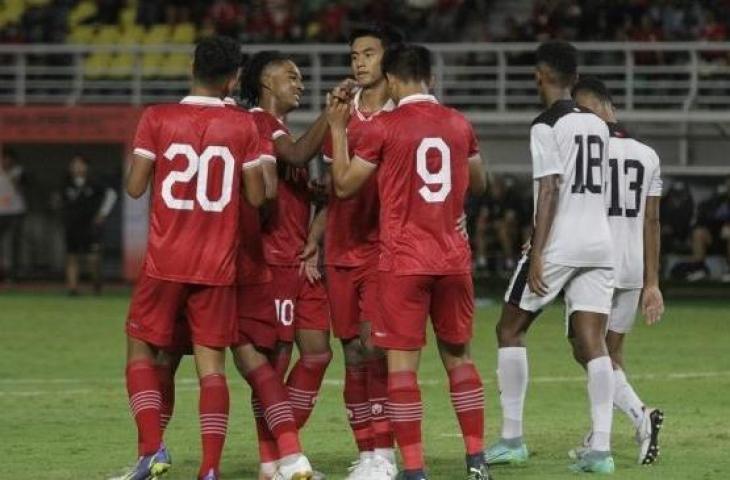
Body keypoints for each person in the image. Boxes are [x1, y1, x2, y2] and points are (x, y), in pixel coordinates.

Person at [327, 43, 491, 480]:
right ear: (430, 79)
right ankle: (476, 461)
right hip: (453, 259)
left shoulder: (384, 127)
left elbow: (343, 186)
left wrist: (339, 131)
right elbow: (480, 182)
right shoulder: (459, 124)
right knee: (460, 359)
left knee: (402, 369)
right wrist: (454, 211)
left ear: (394, 81)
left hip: (403, 261)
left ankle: (414, 470)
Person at [117, 36, 266, 480]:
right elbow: (257, 195)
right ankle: (210, 469)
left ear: (190, 67)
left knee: (140, 348)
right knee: (211, 367)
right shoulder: (244, 126)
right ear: (234, 77)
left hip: (164, 261)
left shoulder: (158, 117)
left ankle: (151, 451)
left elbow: (135, 187)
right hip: (217, 264)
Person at [484, 41, 617, 474]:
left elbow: (550, 187)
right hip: (600, 240)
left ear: (538, 76)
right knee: (594, 343)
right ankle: (601, 449)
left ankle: (511, 439)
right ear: (574, 79)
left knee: (508, 328)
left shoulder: (544, 125)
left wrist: (537, 251)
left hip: (561, 241)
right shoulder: (598, 125)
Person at [239, 50, 338, 480]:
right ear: (265, 81)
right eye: (290, 76)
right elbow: (296, 156)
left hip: (302, 259)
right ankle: (276, 460)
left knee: (317, 354)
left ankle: (282, 451)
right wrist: (333, 114)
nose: (299, 83)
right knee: (275, 361)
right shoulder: (258, 123)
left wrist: (310, 198)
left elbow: (291, 174)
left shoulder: (281, 130)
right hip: (272, 262)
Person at [319, 24, 402, 480]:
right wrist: (315, 239)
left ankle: (385, 454)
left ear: (388, 59)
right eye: (354, 55)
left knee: (376, 347)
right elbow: (335, 189)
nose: (359, 61)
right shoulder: (342, 111)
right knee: (351, 351)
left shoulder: (402, 114)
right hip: (340, 246)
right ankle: (367, 451)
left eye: (369, 53)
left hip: (381, 249)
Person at [572, 76, 665, 465]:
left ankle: (640, 415)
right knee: (611, 352)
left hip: (594, 262)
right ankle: (599, 431)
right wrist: (652, 283)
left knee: (586, 350)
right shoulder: (648, 155)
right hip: (631, 267)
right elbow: (652, 221)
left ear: (593, 110)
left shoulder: (585, 151)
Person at [60, 154, 117, 295]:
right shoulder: (66, 184)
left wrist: (102, 214)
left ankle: (96, 285)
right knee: (71, 256)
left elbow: (112, 194)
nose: (77, 167)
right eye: (74, 164)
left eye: (80, 164)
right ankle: (73, 289)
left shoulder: (95, 183)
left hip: (90, 225)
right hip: (72, 225)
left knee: (93, 259)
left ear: (87, 167)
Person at [687, 178, 730, 282]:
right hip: (716, 238)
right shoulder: (718, 201)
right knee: (699, 233)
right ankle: (699, 269)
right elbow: (703, 219)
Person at [0, 148, 27, 283]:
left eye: (8, 158)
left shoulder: (18, 171)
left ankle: (13, 274)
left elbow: (20, 188)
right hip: (0, 211)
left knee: (12, 244)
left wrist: (8, 174)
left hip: (15, 211)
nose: (5, 161)